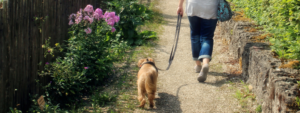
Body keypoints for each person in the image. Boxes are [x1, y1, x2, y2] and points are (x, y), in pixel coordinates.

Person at [177, 0, 218, 82]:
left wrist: (180, 5)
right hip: (210, 6)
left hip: (193, 5)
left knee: (195, 35)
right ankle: (205, 63)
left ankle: (198, 64)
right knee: (207, 37)